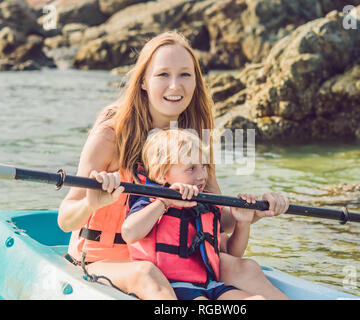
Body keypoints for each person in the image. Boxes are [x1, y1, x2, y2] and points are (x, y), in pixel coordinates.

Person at [57, 31, 289, 300]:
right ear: (143, 81)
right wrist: (91, 204)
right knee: (147, 274)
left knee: (245, 268)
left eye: (185, 75)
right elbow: (65, 219)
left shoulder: (192, 139)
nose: (175, 86)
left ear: (196, 81)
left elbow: (217, 218)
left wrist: (253, 211)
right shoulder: (110, 136)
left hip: (175, 258)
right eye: (163, 75)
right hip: (110, 258)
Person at [123, 128, 279, 300]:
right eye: (191, 169)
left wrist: (243, 223)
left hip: (211, 285)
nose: (202, 175)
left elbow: (232, 254)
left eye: (204, 166)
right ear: (162, 174)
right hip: (174, 287)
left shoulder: (205, 205)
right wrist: (164, 202)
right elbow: (129, 233)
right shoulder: (152, 201)